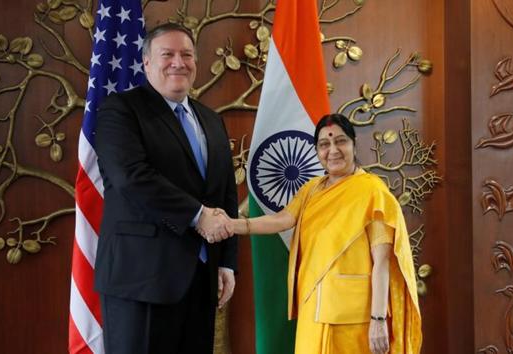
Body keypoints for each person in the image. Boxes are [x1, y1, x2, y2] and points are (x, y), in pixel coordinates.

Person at [93, 23, 238, 354]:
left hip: (201, 281)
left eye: (186, 54)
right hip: (140, 280)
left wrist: (226, 262)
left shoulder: (211, 120)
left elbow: (225, 193)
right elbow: (132, 177)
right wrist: (197, 216)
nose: (178, 62)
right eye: (167, 54)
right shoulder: (120, 110)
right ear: (146, 62)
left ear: (196, 64)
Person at [224, 114, 422, 354]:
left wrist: (378, 320)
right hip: (312, 309)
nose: (333, 150)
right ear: (317, 150)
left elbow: (382, 262)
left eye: (341, 141)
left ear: (353, 144)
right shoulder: (312, 189)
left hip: (353, 318)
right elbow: (282, 219)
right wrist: (234, 225)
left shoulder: (372, 192)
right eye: (324, 144)